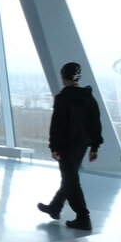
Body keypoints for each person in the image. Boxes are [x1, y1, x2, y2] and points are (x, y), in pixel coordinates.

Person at [37, 61, 102, 231]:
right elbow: (96, 122)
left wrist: (54, 147)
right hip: (82, 144)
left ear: (63, 77)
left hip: (66, 145)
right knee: (70, 177)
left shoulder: (63, 98)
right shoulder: (88, 97)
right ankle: (55, 207)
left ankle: (83, 217)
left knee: (71, 180)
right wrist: (95, 146)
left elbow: (57, 125)